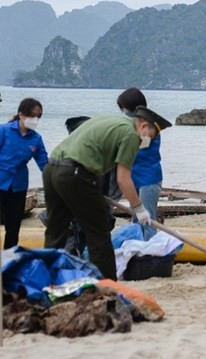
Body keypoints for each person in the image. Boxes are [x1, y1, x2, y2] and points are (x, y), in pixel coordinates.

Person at [43, 107, 172, 280]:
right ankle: (109, 288)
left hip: (52, 169)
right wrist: (139, 209)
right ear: (143, 127)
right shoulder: (131, 135)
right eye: (151, 134)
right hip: (75, 174)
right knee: (99, 234)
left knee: (55, 232)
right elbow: (123, 179)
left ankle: (44, 281)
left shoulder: (111, 121)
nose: (150, 139)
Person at [117, 88, 165, 240]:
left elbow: (141, 145)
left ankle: (150, 252)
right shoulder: (130, 126)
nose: (122, 111)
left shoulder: (149, 125)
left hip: (149, 178)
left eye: (123, 108)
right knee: (136, 218)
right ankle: (138, 248)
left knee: (147, 219)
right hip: (133, 178)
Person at [0, 98, 48, 249]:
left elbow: (44, 164)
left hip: (19, 187)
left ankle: (9, 262)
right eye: (32, 115)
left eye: (38, 116)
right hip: (1, 181)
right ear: (21, 114)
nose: (35, 119)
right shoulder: (4, 131)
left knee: (13, 227)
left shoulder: (36, 139)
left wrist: (57, 181)